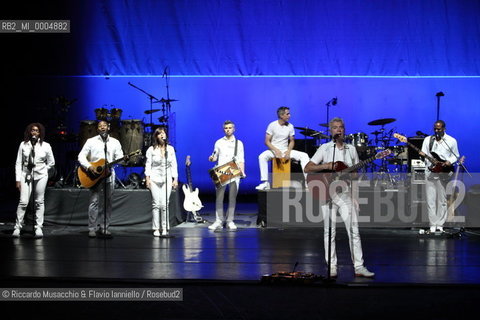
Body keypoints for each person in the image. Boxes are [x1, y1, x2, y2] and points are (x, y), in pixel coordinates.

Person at [304, 117, 374, 278]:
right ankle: (332, 266)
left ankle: (359, 266)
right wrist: (327, 166)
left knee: (354, 230)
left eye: (341, 127)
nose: (339, 130)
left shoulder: (351, 149)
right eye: (335, 127)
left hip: (344, 194)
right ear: (331, 131)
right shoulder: (325, 148)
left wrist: (355, 197)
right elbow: (308, 168)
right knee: (329, 232)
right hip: (326, 194)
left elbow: (355, 176)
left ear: (344, 129)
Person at [78, 120, 124, 238]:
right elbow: (81, 156)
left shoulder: (115, 142)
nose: (102, 128)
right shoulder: (91, 141)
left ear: (108, 127)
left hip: (108, 175)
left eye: (105, 126)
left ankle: (104, 227)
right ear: (97, 129)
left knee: (107, 202)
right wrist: (89, 167)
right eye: (100, 126)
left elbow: (120, 158)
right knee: (94, 202)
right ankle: (92, 228)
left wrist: (123, 159)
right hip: (94, 176)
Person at [13, 123, 55, 238]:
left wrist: (44, 169)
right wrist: (18, 179)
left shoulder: (46, 146)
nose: (34, 132)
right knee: (23, 201)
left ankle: (38, 227)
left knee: (39, 201)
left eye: (37, 130)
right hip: (25, 175)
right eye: (32, 130)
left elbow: (51, 162)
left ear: (40, 133)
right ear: (29, 132)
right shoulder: (24, 145)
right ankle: (17, 227)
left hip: (41, 175)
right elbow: (18, 162)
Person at [255, 106, 310, 190]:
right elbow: (266, 141)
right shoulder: (272, 125)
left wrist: (288, 151)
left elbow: (292, 141)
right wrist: (276, 150)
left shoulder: (290, 126)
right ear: (281, 115)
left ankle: (307, 183)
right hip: (273, 150)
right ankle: (265, 182)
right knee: (262, 157)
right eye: (287, 114)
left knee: (304, 155)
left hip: (285, 150)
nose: (289, 115)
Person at [420, 120, 459, 233]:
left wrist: (449, 162)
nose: (437, 131)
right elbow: (424, 154)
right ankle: (433, 224)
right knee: (430, 200)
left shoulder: (451, 141)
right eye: (435, 129)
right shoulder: (428, 140)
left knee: (442, 200)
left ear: (444, 128)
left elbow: (456, 155)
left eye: (439, 129)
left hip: (443, 172)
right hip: (430, 172)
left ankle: (440, 224)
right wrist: (423, 157)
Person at [208, 121, 245, 230]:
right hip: (221, 170)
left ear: (234, 129)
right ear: (223, 129)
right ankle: (219, 220)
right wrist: (212, 158)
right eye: (226, 128)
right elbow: (215, 156)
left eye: (230, 128)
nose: (228, 129)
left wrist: (243, 171)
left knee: (232, 197)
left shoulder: (239, 143)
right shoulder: (219, 142)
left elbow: (241, 159)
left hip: (234, 170)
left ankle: (230, 220)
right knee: (219, 197)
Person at [145, 127, 178, 236]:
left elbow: (174, 165)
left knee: (165, 204)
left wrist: (175, 179)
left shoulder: (171, 149)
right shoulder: (151, 149)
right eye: (159, 134)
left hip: (167, 177)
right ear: (156, 136)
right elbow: (148, 164)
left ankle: (164, 227)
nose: (161, 135)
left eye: (163, 133)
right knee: (156, 204)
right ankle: (156, 228)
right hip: (154, 178)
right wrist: (147, 178)